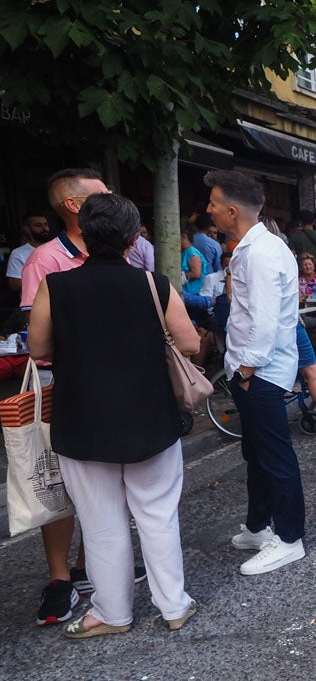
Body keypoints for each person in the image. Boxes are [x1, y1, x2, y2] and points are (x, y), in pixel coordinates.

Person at [25, 192, 200, 638]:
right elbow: (191, 344)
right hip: (150, 415)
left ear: (82, 231)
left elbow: (40, 349)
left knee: (100, 520)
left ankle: (112, 612)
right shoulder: (153, 284)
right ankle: (174, 605)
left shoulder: (56, 287)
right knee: (157, 513)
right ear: (132, 235)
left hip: (82, 417)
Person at [207, 169, 308, 576]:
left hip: (260, 371)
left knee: (274, 455)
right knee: (257, 453)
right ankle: (257, 525)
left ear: (232, 211)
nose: (208, 210)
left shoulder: (262, 253)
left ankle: (288, 538)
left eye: (213, 204)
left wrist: (247, 370)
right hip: (251, 369)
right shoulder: (256, 247)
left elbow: (264, 321)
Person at [21, 168, 109, 626]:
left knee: (101, 477)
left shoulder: (119, 248)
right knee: (58, 481)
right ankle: (60, 578)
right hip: (63, 385)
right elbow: (38, 338)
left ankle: (86, 563)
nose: (110, 196)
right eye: (101, 192)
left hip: (111, 382)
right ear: (74, 205)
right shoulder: (46, 260)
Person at [6, 210, 51, 294]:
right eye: (38, 226)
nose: (44, 229)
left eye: (46, 224)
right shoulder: (18, 254)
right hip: (34, 303)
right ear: (27, 229)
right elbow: (14, 283)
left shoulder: (58, 248)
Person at [180, 228, 207, 295]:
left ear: (183, 236)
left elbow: (196, 273)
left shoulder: (191, 252)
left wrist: (181, 277)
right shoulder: (185, 252)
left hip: (193, 294)